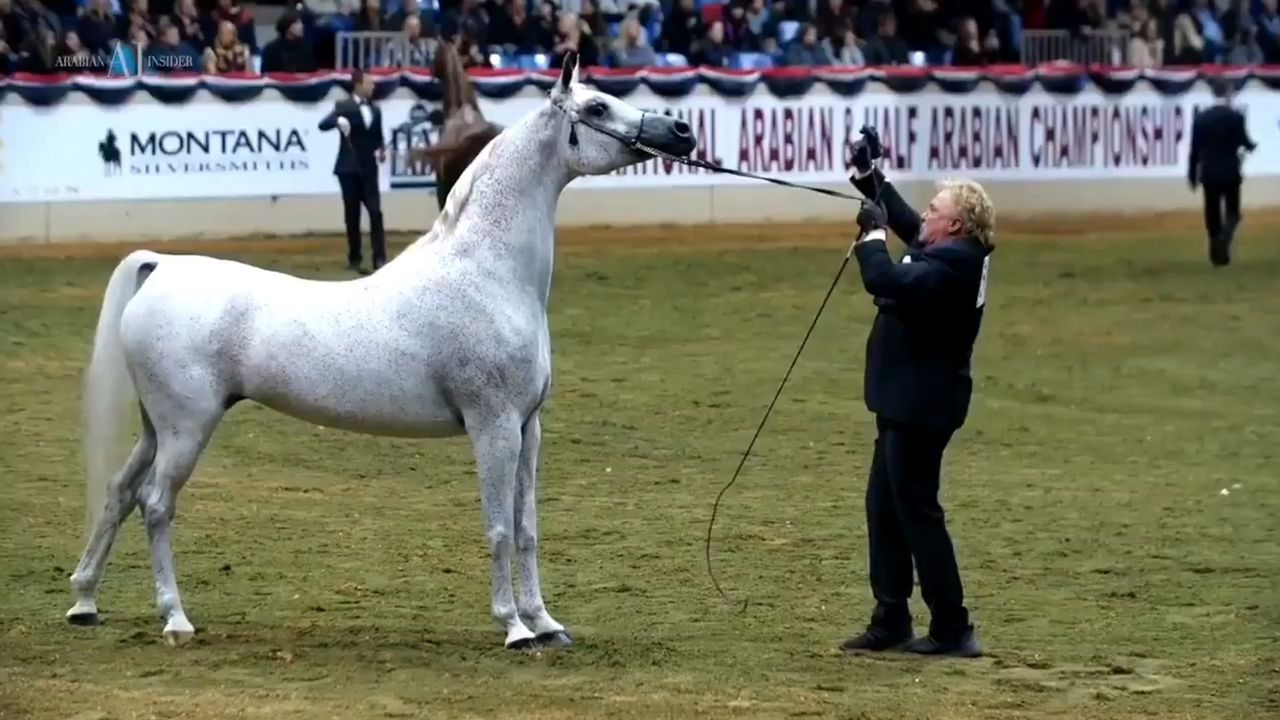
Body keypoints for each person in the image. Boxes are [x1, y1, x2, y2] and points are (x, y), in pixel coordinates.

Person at [839, 127, 993, 658]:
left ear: (954, 224)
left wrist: (871, 239)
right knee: (886, 508)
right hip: (907, 402)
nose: (924, 215)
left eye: (934, 209)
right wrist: (869, 177)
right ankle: (891, 616)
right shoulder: (954, 251)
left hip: (921, 407)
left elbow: (886, 280)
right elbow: (908, 225)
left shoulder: (953, 266)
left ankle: (952, 626)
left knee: (916, 512)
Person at [319, 68, 388, 274]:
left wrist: (381, 149)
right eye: (369, 82)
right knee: (352, 215)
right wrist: (338, 121)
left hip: (369, 169)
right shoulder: (343, 105)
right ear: (358, 84)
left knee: (376, 213)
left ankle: (380, 258)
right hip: (348, 169)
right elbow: (323, 124)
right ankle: (355, 257)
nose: (373, 86)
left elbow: (378, 137)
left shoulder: (376, 110)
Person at [1188, 78, 1257, 267]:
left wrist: (1192, 174)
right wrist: (1252, 146)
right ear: (1227, 92)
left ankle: (1216, 256)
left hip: (1209, 172)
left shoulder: (1201, 118)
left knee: (1212, 213)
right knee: (1233, 213)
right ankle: (1224, 240)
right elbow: (1244, 141)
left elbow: (1194, 149)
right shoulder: (1235, 117)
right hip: (1230, 171)